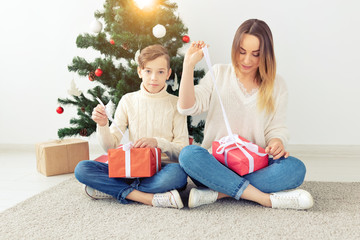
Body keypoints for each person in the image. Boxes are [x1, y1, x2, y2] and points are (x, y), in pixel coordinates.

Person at [177, 19, 314, 210]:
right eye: (242, 52)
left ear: (266, 55)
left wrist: (276, 142)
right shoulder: (219, 73)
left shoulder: (277, 85)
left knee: (296, 168)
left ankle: (219, 193)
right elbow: (186, 108)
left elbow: (276, 128)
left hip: (253, 165)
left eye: (256, 54)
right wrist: (188, 66)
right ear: (235, 48)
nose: (247, 60)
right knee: (188, 155)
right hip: (216, 165)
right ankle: (263, 199)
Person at [75, 44, 189, 209]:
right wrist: (102, 125)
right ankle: (146, 197)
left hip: (163, 168)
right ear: (139, 72)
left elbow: (182, 151)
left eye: (160, 72)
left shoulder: (176, 104)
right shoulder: (128, 100)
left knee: (178, 176)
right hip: (133, 167)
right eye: (148, 71)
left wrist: (158, 142)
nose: (153, 78)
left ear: (169, 74)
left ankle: (114, 190)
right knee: (82, 168)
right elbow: (110, 147)